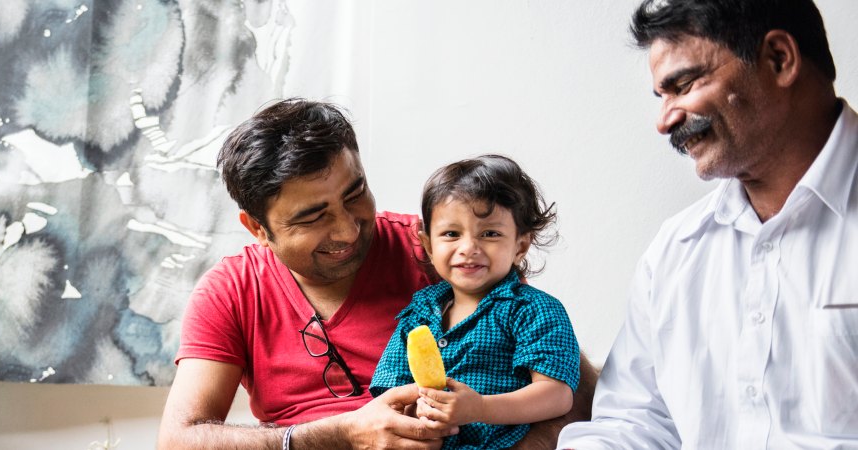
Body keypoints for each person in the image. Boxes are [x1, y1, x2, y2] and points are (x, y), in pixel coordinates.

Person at [159, 99, 595, 450]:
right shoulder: (231, 291)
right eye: (312, 218)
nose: (348, 229)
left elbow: (573, 385)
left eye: (355, 194)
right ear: (258, 228)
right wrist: (339, 435)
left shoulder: (438, 251)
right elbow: (179, 440)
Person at [557, 0, 858, 447]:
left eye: (682, 85)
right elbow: (633, 421)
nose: (665, 121)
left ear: (779, 59)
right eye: (662, 97)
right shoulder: (675, 250)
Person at [368, 155, 579, 449]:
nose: (469, 248)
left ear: (520, 246)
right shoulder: (418, 313)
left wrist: (479, 408)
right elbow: (390, 392)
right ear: (428, 245)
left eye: (490, 233)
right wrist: (419, 411)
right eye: (451, 234)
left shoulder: (534, 310)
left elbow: (556, 395)